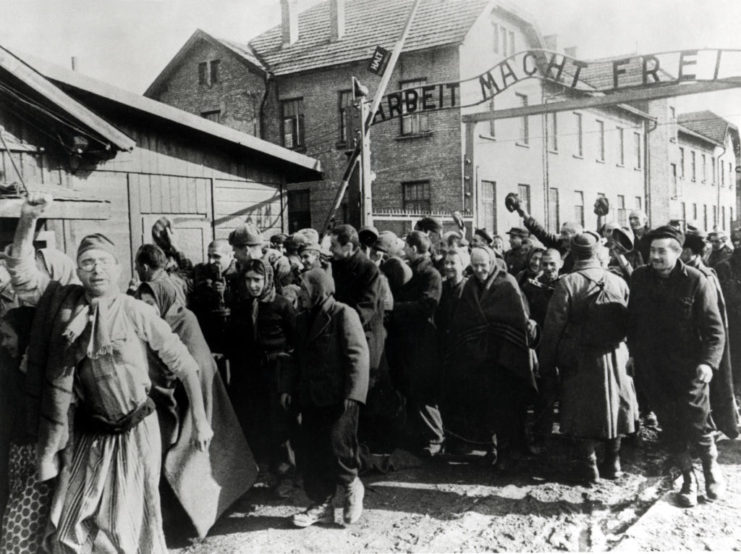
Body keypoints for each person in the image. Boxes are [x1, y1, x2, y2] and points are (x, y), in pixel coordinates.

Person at [6, 194, 213, 553]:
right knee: (74, 523)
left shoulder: (136, 311)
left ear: (119, 269)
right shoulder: (63, 304)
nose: (96, 269)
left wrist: (202, 420)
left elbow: (185, 365)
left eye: (103, 262)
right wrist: (28, 219)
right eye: (87, 262)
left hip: (135, 430)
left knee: (125, 525)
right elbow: (22, 274)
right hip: (88, 431)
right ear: (78, 270)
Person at [137, 278, 255, 539]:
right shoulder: (146, 324)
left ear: (163, 301)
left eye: (150, 303)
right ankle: (173, 518)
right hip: (164, 397)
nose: (145, 308)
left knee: (193, 457)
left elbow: (197, 366)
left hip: (194, 396)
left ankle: (199, 516)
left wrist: (198, 415)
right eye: (141, 303)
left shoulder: (184, 320)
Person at [628, 226, 726, 507]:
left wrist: (708, 363)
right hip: (654, 369)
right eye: (652, 251)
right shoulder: (639, 278)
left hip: (689, 369)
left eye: (661, 251)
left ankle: (710, 470)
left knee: (697, 422)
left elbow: (714, 330)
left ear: (677, 252)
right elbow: (633, 321)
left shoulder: (695, 280)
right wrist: (634, 355)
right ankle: (688, 479)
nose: (655, 257)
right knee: (670, 426)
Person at [540, 233, 638, 483]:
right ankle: (613, 462)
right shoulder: (618, 281)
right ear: (596, 252)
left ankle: (589, 465)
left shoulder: (567, 283)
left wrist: (547, 363)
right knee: (617, 405)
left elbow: (553, 328)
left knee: (580, 406)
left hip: (579, 356)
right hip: (616, 354)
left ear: (573, 253)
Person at [280, 269, 369, 528]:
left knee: (338, 447)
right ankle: (321, 504)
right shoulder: (302, 318)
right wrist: (287, 388)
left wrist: (354, 393)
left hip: (339, 399)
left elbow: (357, 355)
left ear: (318, 290)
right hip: (310, 398)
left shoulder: (343, 314)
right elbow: (294, 357)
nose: (301, 295)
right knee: (312, 452)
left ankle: (352, 486)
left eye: (305, 290)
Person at [449, 246, 536, 469]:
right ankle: (491, 448)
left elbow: (516, 320)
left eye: (483, 266)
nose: (479, 270)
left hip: (505, 359)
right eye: (475, 266)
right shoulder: (469, 286)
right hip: (479, 359)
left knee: (506, 406)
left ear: (492, 263)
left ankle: (507, 452)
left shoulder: (507, 284)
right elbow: (464, 319)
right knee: (483, 406)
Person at [226, 258, 297, 495]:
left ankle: (286, 474)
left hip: (275, 375)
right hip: (250, 377)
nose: (252, 285)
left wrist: (287, 379)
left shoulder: (282, 306)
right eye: (248, 280)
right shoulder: (241, 305)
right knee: (256, 423)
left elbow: (296, 342)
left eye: (257, 280)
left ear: (267, 279)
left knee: (280, 425)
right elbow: (234, 342)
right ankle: (264, 471)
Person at [0, 308, 54, 553]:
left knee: (20, 529)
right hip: (16, 455)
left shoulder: (41, 372)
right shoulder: (7, 368)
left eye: (8, 336)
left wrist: (27, 377)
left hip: (38, 459)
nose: (4, 343)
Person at [387, 231, 444, 457]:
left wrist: (395, 308)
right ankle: (417, 437)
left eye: (406, 247)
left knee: (423, 391)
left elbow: (427, 306)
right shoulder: (410, 270)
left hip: (423, 342)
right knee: (408, 389)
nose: (403, 251)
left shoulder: (430, 274)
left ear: (412, 247)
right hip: (406, 342)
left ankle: (435, 439)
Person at [680, 230, 738, 439]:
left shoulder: (704, 275)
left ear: (689, 252)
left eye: (682, 250)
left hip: (706, 341)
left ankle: (715, 426)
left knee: (714, 384)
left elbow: (713, 314)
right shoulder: (688, 273)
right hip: (696, 339)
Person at [521, 248, 563, 452]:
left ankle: (569, 436)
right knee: (543, 394)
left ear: (560, 264)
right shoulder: (531, 287)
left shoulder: (565, 285)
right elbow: (524, 312)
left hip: (562, 346)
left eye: (552, 264)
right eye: (544, 264)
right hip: (540, 346)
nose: (547, 268)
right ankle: (541, 438)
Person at [330, 224, 386, 379]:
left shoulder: (368, 269)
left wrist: (336, 324)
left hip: (363, 338)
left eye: (333, 245)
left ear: (348, 246)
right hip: (342, 335)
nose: (330, 249)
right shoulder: (336, 265)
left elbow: (366, 308)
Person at [436, 248, 470, 453]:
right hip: (445, 348)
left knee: (463, 397)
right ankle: (452, 439)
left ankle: (465, 441)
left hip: (463, 350)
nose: (448, 267)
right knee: (447, 396)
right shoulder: (442, 287)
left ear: (463, 266)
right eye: (446, 263)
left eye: (453, 263)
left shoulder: (468, 288)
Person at [190, 239, 239, 354]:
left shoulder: (240, 273)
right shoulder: (201, 271)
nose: (211, 261)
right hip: (209, 334)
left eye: (217, 256)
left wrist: (226, 293)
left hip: (234, 334)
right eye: (209, 256)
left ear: (230, 255)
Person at [515, 204, 582, 274]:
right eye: (561, 233)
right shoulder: (559, 243)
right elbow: (542, 233)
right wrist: (525, 215)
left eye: (565, 234)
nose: (561, 237)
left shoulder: (583, 253)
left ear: (576, 235)